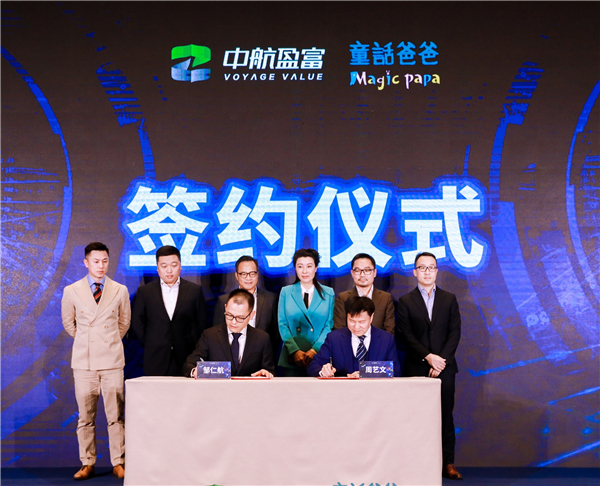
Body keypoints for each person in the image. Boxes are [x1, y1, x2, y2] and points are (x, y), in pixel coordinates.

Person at [61, 242, 130, 480]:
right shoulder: (72, 290)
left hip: (112, 361)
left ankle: (118, 461)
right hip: (84, 362)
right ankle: (87, 462)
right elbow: (69, 323)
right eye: (96, 261)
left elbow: (124, 323)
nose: (101, 266)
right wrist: (87, 339)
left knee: (116, 416)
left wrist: (107, 341)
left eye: (105, 261)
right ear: (86, 262)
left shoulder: (120, 289)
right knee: (85, 417)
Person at [397, 252, 463, 480]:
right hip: (417, 367)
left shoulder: (449, 299)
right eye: (422, 267)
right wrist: (428, 357)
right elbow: (405, 334)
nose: (427, 271)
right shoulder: (405, 301)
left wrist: (440, 360)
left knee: (445, 416)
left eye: (431, 267)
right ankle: (417, 463)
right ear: (414, 272)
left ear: (436, 271)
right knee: (416, 417)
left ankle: (448, 463)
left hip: (445, 368)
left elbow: (454, 333)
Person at [131, 245, 207, 376]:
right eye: (164, 266)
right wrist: (152, 342)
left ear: (180, 266)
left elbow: (201, 323)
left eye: (174, 265)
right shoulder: (145, 292)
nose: (169, 270)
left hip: (186, 357)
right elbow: (137, 323)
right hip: (155, 357)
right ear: (157, 268)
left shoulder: (194, 290)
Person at [183, 289, 275, 378]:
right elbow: (189, 364)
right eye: (229, 315)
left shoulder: (262, 338)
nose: (233, 322)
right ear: (225, 307)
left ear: (251, 315)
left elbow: (270, 371)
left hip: (250, 388)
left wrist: (266, 373)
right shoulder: (210, 335)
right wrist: (195, 371)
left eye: (240, 318)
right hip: (218, 388)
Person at [308, 296, 400, 377]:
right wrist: (323, 371)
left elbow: (395, 370)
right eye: (352, 321)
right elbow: (314, 366)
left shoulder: (386, 339)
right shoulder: (334, 338)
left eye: (361, 322)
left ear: (371, 317)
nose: (356, 327)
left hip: (375, 389)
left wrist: (365, 373)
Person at [277, 248, 335, 376]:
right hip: (292, 355)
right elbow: (282, 324)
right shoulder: (286, 292)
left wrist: (315, 349)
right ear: (295, 268)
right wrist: (294, 350)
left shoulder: (328, 293)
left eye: (309, 266)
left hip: (319, 354)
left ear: (316, 268)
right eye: (300, 266)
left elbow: (328, 325)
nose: (304, 271)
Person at [212, 255, 279, 359]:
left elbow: (276, 335)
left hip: (262, 359)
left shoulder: (271, 299)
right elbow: (217, 334)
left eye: (252, 273)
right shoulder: (224, 300)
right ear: (236, 275)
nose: (248, 278)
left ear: (257, 274)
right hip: (232, 358)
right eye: (244, 274)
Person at [333, 253, 395, 335]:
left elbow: (389, 330)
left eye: (367, 270)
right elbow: (340, 329)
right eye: (357, 270)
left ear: (374, 272)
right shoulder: (343, 298)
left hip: (379, 342)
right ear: (352, 273)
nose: (362, 274)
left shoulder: (385, 298)